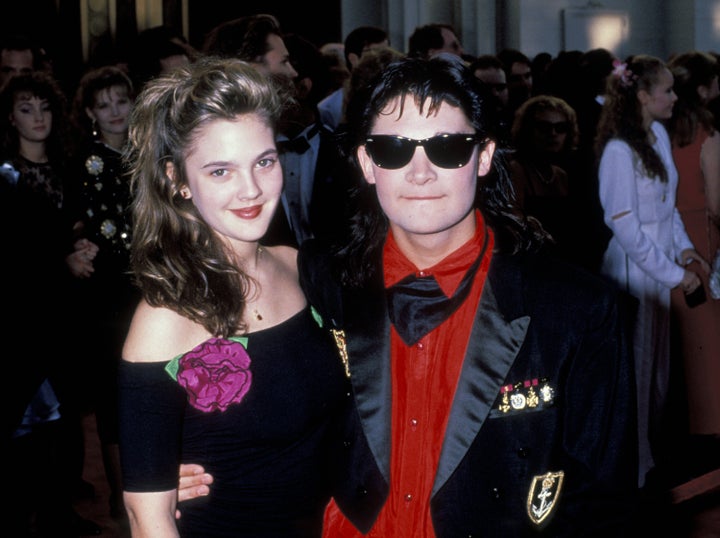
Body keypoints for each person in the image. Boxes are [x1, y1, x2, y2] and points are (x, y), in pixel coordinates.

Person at [178, 56, 640, 536]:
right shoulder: (323, 278)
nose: (420, 173)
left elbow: (603, 496)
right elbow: (202, 309)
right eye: (394, 149)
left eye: (447, 148)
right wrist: (177, 458)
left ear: (483, 157)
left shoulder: (574, 306)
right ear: (367, 163)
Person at [117, 56, 348, 537]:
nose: (251, 189)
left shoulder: (298, 266)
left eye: (264, 161)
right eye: (220, 171)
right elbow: (148, 518)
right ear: (176, 179)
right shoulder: (164, 318)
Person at [595, 54, 710, 488]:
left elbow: (667, 209)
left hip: (658, 263)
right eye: (667, 90)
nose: (674, 97)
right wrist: (670, 272)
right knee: (635, 370)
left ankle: (650, 457)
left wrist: (683, 251)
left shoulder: (658, 135)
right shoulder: (619, 151)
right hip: (632, 269)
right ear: (643, 96)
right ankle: (634, 468)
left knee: (658, 372)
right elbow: (623, 223)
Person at [0, 70, 101, 537]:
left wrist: (81, 246)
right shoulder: (3, 174)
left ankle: (60, 510)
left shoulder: (66, 164)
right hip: (24, 314)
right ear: (10, 118)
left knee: (67, 414)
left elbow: (79, 223)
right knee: (27, 417)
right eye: (26, 109)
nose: (38, 117)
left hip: (68, 309)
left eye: (44, 108)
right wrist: (62, 256)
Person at [67, 64, 137, 519]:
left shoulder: (151, 152)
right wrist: (76, 242)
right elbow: (70, 220)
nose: (114, 111)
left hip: (153, 282)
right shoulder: (82, 162)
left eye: (121, 101)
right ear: (91, 112)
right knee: (114, 394)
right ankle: (119, 495)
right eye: (104, 104)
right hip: (108, 293)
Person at [666, 51, 720, 464]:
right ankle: (707, 430)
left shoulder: (657, 128)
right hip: (700, 232)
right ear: (703, 88)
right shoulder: (706, 131)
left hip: (668, 231)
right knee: (704, 338)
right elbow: (716, 199)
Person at [317, 25, 389, 132]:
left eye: (386, 55)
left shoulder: (399, 96)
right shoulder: (328, 108)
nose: (383, 62)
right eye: (374, 55)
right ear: (353, 59)